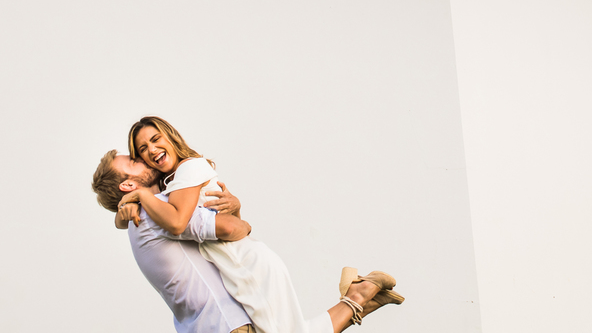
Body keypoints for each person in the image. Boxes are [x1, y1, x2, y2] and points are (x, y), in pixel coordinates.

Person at [123, 116, 402, 333]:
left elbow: (179, 222)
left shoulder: (188, 170)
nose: (152, 150)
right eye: (143, 149)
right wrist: (130, 203)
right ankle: (360, 296)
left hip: (247, 269)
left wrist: (140, 196)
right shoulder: (170, 187)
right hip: (238, 270)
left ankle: (359, 295)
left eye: (156, 139)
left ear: (170, 137)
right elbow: (232, 222)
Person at [91, 150, 255, 333]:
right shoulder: (154, 214)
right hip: (226, 323)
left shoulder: (137, 221)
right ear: (128, 184)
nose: (140, 158)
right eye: (132, 161)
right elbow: (231, 228)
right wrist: (246, 224)